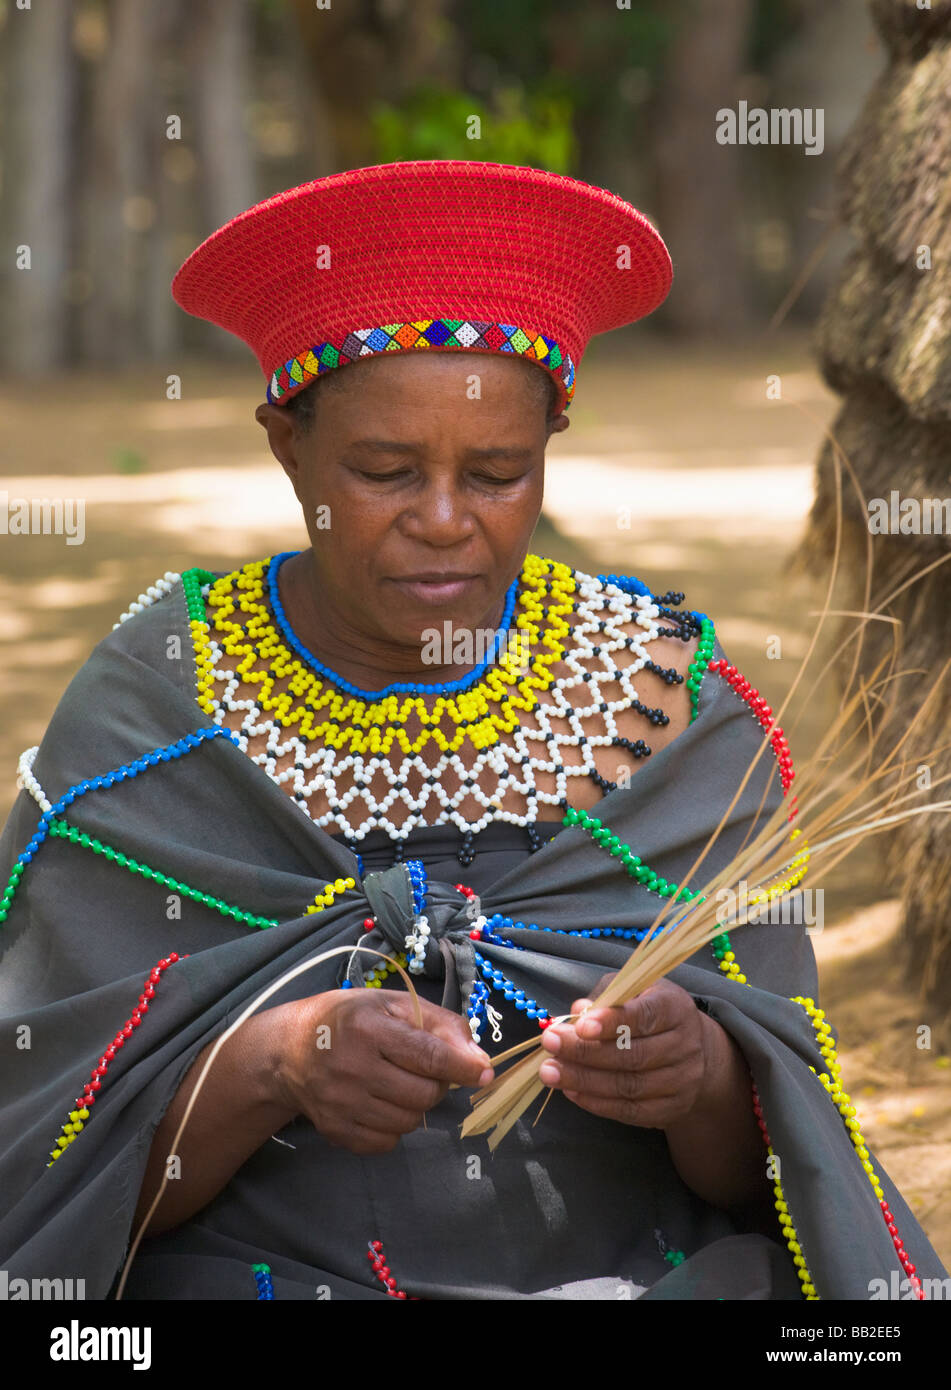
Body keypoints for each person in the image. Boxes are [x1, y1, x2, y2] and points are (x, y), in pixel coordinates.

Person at [0, 161, 946, 1301]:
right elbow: (50, 1155)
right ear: (285, 445)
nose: (444, 522)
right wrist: (275, 1063)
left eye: (499, 473)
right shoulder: (165, 698)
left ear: (553, 441)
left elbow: (788, 1161)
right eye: (383, 471)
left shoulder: (668, 702)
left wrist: (696, 1074)